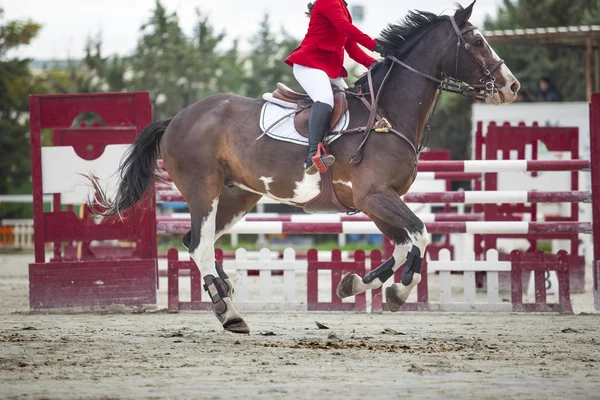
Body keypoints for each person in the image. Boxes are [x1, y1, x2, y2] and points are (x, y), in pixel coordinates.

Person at [285, 0, 383, 175]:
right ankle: (312, 156)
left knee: (353, 101)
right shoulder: (327, 1)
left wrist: (374, 64)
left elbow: (351, 48)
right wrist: (375, 45)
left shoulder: (342, 7)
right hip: (310, 64)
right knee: (325, 99)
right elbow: (345, 28)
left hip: (328, 68)